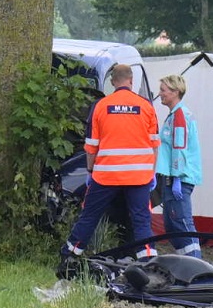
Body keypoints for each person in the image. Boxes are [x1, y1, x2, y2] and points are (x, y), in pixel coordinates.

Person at [61, 64, 160, 269]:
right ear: (131, 81)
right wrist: (151, 173)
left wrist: (90, 171)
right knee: (141, 218)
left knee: (90, 215)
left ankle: (70, 255)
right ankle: (147, 261)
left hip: (106, 175)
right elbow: (154, 145)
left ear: (113, 82)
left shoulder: (101, 106)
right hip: (139, 176)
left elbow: (91, 147)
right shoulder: (146, 107)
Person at [154, 74, 204, 257]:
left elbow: (179, 148)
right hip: (172, 177)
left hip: (179, 178)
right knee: (171, 223)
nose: (160, 94)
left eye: (163, 90)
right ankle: (186, 261)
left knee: (181, 221)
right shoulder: (175, 115)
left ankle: (196, 264)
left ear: (175, 92)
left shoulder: (180, 115)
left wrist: (176, 178)